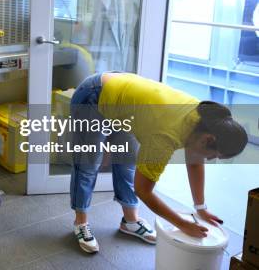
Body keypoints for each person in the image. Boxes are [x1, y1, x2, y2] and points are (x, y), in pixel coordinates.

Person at [68, 72, 248, 254]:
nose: (210, 159)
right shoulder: (165, 137)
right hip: (94, 95)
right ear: (208, 139)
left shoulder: (204, 120)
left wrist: (201, 208)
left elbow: (194, 163)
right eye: (214, 155)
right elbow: (144, 190)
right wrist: (182, 224)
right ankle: (80, 222)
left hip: (127, 101)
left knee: (127, 164)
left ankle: (130, 222)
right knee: (88, 164)